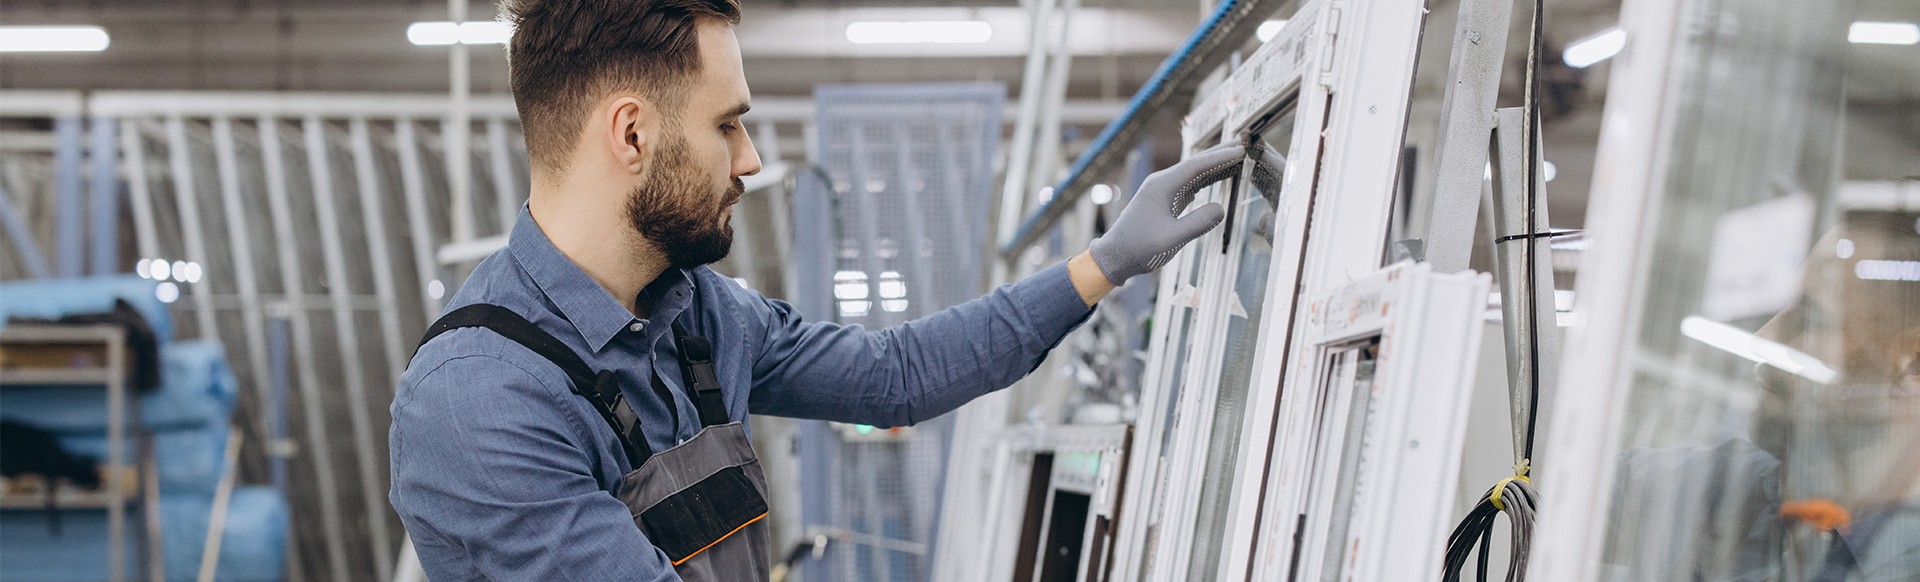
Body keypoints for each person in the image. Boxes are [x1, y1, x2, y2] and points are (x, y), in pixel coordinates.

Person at [387, 0, 1280, 580]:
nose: (752, 160)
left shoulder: (698, 314)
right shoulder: (480, 400)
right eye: (728, 124)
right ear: (631, 133)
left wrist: (1103, 266)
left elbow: (894, 374)